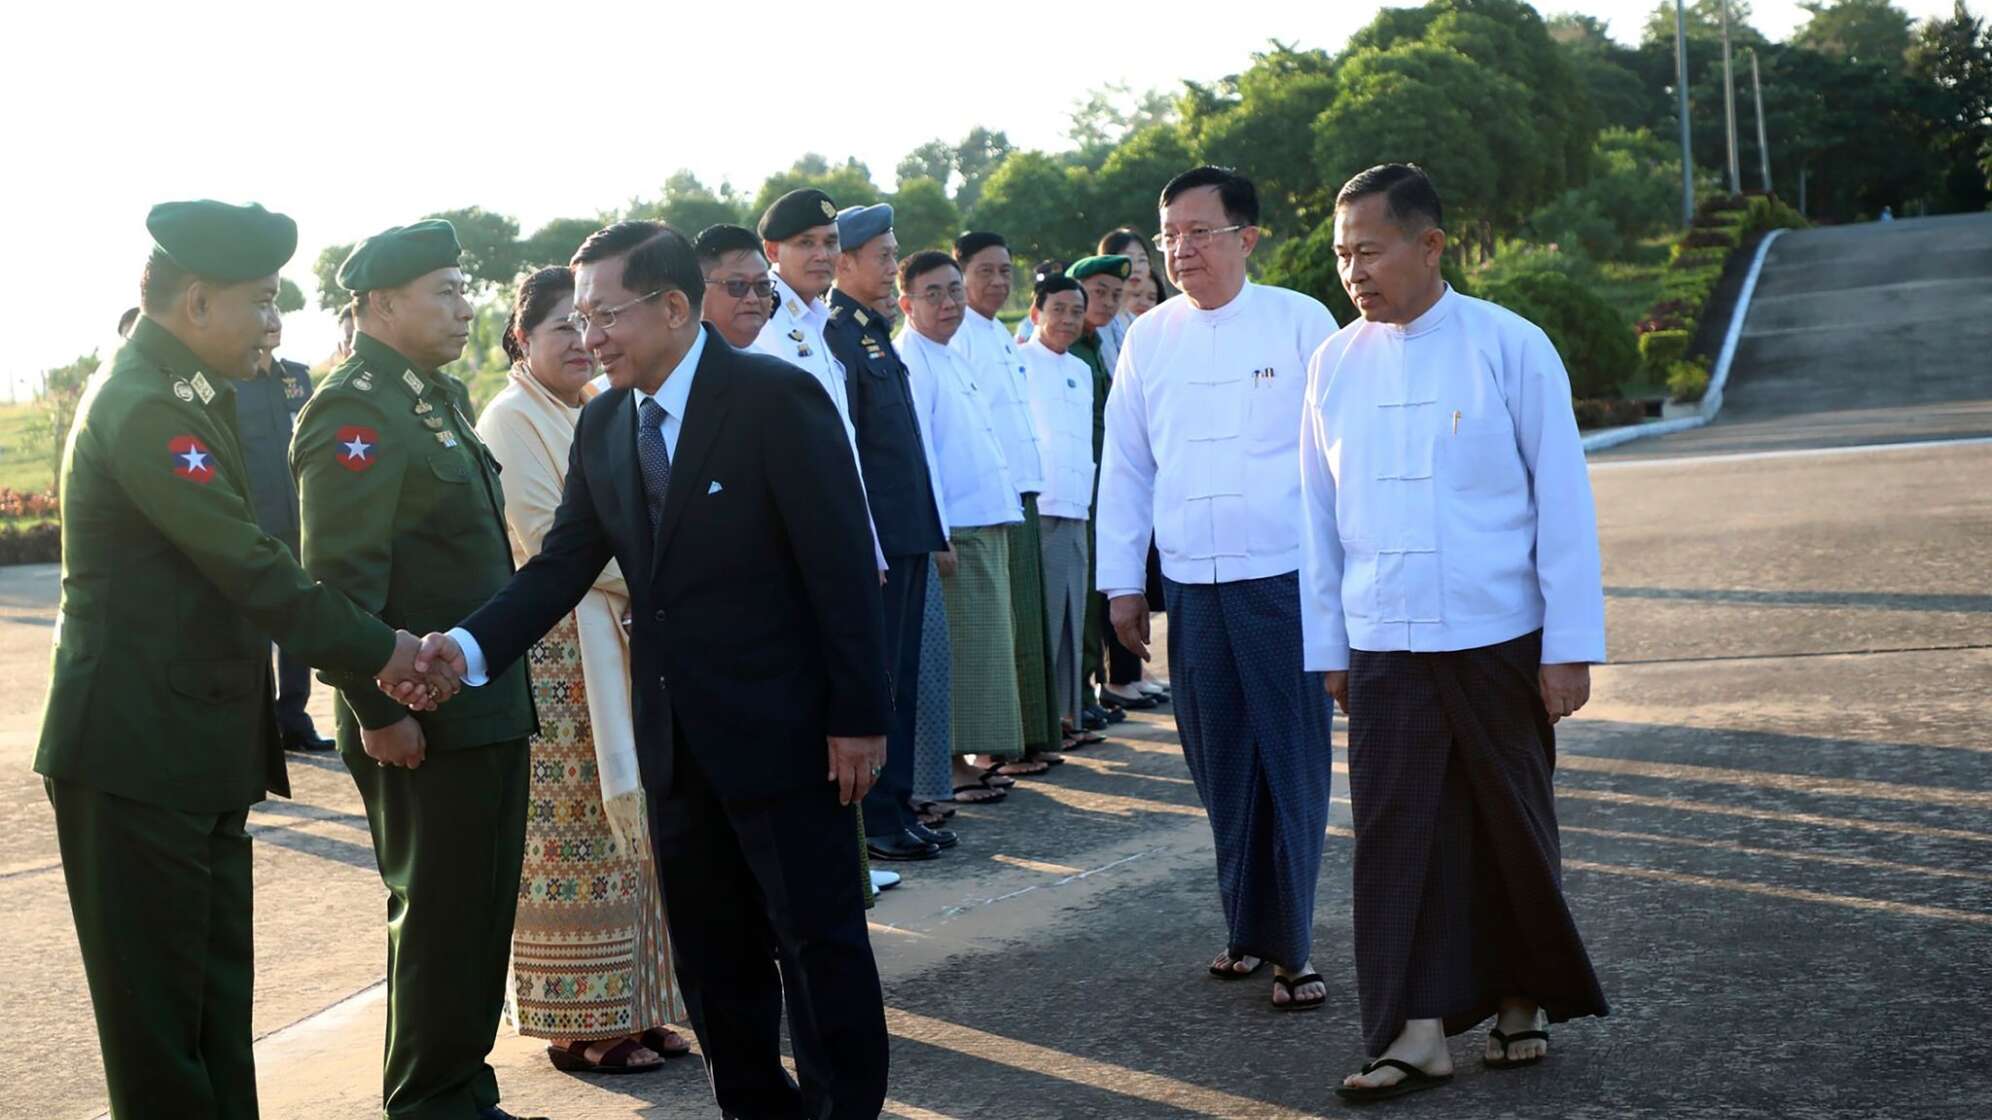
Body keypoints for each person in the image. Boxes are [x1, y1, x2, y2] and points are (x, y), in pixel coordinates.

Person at [411, 220, 895, 1120]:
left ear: (673, 308)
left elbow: (841, 569)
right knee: (715, 961)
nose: (590, 336)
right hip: (674, 743)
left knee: (818, 948)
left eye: (605, 314)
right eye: (582, 317)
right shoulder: (603, 423)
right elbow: (560, 566)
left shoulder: (775, 400)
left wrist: (859, 718)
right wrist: (464, 651)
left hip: (790, 737)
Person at [36, 199, 440, 1120]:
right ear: (196, 301)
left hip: (188, 744)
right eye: (261, 302)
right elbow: (247, 565)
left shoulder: (183, 390)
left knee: (212, 1006)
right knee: (161, 1025)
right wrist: (383, 649)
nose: (274, 324)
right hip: (136, 749)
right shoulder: (143, 404)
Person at [1301, 163, 1611, 1103]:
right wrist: (1330, 647)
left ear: (1431, 245)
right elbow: (1316, 515)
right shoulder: (1333, 362)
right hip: (1385, 640)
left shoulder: (1509, 347)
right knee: (1397, 840)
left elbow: (1563, 501)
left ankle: (1523, 996)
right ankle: (1413, 1032)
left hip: (1498, 635)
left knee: (1505, 825)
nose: (1354, 270)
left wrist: (1569, 642)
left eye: (1371, 250)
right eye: (1342, 253)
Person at [293, 219, 541, 1120]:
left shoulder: (429, 398)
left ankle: (460, 1091)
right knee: (439, 915)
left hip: (479, 704)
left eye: (461, 289)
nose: (463, 307)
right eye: (444, 290)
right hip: (419, 718)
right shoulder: (356, 409)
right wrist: (373, 707)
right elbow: (339, 583)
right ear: (382, 303)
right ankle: (432, 1104)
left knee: (475, 914)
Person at [1097, 166, 1340, 1013]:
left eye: (1199, 232)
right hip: (1192, 585)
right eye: (1170, 236)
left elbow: (1336, 458)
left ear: (1247, 236)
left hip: (1282, 579)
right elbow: (1125, 466)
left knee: (1292, 758)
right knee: (1220, 762)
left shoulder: (1300, 321)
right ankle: (1246, 924)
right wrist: (1122, 586)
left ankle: (1294, 946)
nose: (1180, 250)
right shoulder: (1149, 338)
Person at [476, 266, 691, 1074]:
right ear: (522, 338)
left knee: (636, 828)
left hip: (626, 634)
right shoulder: (509, 419)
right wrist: (660, 572)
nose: (580, 340)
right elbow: (545, 537)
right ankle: (581, 1021)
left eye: (591, 322)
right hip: (561, 654)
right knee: (572, 836)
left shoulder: (603, 412)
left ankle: (643, 1005)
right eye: (561, 326)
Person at [824, 204, 955, 863]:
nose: (890, 264)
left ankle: (898, 808)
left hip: (905, 533)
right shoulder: (837, 337)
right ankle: (877, 819)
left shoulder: (872, 332)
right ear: (842, 262)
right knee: (879, 681)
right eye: (881, 255)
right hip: (878, 539)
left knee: (901, 677)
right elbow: (851, 452)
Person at [894, 250, 1032, 799]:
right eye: (934, 293)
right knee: (958, 656)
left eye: (954, 290)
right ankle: (948, 765)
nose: (949, 302)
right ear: (906, 303)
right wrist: (937, 529)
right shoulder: (911, 358)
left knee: (984, 652)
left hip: (985, 519)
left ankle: (969, 757)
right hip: (954, 528)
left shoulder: (950, 355)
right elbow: (920, 453)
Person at [949, 231, 1066, 764]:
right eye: (985, 272)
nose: (998, 282)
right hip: (984, 497)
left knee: (1024, 623)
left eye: (1005, 271)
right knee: (998, 630)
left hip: (1019, 490)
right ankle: (994, 750)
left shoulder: (998, 333)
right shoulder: (959, 334)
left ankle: (1027, 740)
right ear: (961, 273)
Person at [238, 319, 333, 752]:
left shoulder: (296, 376)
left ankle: (293, 717)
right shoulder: (230, 382)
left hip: (300, 518)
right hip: (253, 523)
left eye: (277, 309)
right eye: (262, 308)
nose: (273, 321)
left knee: (298, 619)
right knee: (255, 627)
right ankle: (258, 725)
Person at [1065, 256, 1152, 724]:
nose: (1107, 301)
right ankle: (1085, 693)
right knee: (1083, 602)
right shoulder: (1069, 348)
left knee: (1099, 595)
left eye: (1115, 294)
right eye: (1098, 292)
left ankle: (1093, 692)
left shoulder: (1099, 344)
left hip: (1103, 483)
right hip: (1080, 486)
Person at [1019, 274, 1096, 742]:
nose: (1067, 319)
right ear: (1035, 313)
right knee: (1044, 617)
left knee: (1073, 613)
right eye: (1058, 309)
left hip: (1077, 502)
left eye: (1075, 310)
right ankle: (1037, 723)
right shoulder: (1019, 361)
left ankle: (1068, 716)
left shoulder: (1082, 368)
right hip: (1041, 503)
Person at [693, 223, 773, 349]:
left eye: (762, 285)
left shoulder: (770, 365)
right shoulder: (671, 364)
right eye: (738, 285)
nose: (752, 299)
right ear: (699, 288)